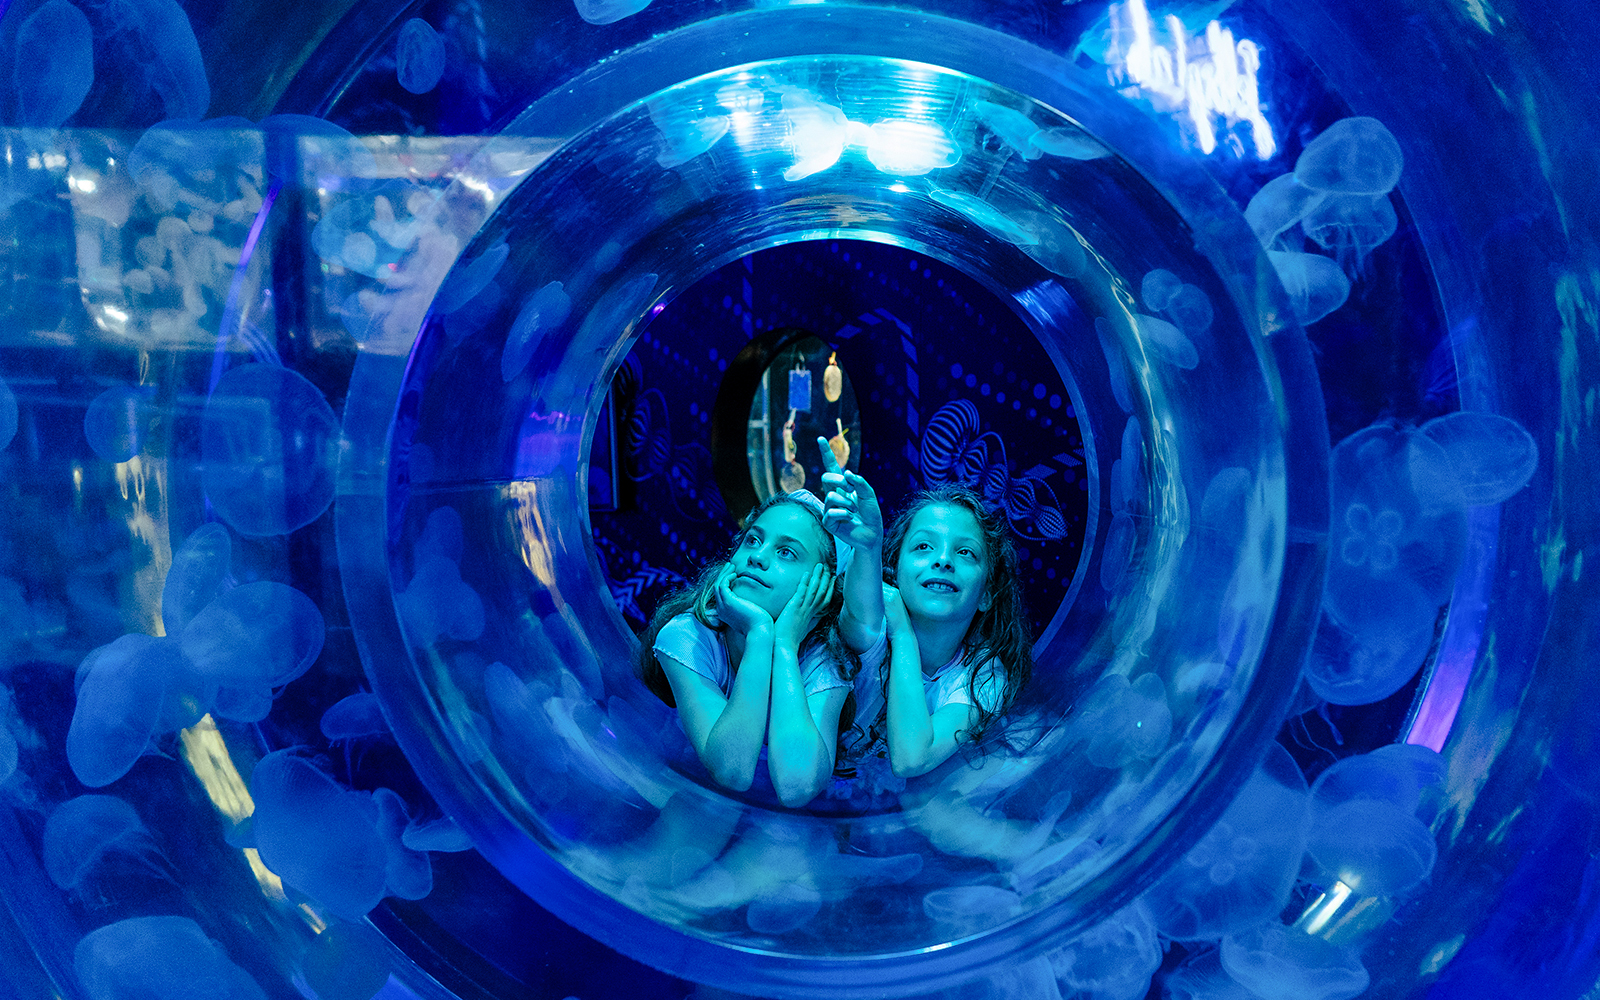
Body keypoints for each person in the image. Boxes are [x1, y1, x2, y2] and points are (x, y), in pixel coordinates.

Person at [820, 442, 1032, 778]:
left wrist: (903, 635)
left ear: (986, 594)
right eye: (923, 546)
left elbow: (911, 759)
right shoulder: (875, 616)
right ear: (894, 570)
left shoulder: (983, 674)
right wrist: (867, 546)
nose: (943, 560)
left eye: (966, 553)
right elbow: (860, 614)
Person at [639, 491, 856, 808]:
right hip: (688, 794)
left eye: (786, 553)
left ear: (822, 588)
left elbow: (797, 787)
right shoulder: (689, 636)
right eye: (753, 541)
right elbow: (732, 771)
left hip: (780, 820)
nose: (758, 556)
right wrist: (759, 635)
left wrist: (784, 645)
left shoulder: (824, 657)